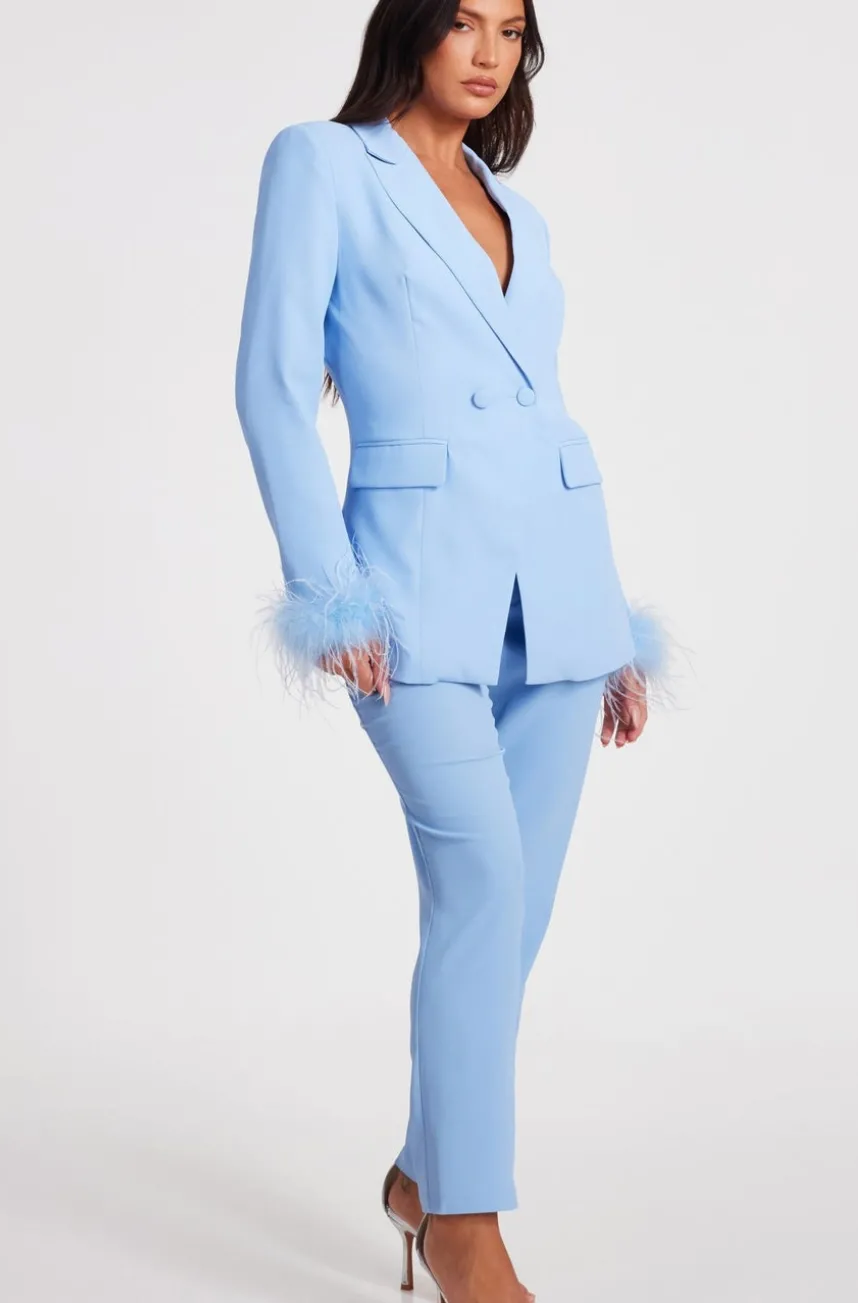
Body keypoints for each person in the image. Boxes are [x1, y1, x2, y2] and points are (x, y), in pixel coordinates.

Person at [234, 3, 680, 1300]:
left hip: (556, 598)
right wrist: (329, 590)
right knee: (481, 882)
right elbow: (271, 384)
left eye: (511, 29)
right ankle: (463, 1225)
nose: (488, 53)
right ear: (413, 31)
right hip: (411, 589)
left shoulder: (512, 208)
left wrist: (603, 619)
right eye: (464, 23)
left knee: (510, 916)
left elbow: (545, 419)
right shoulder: (322, 163)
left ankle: (421, 1174)